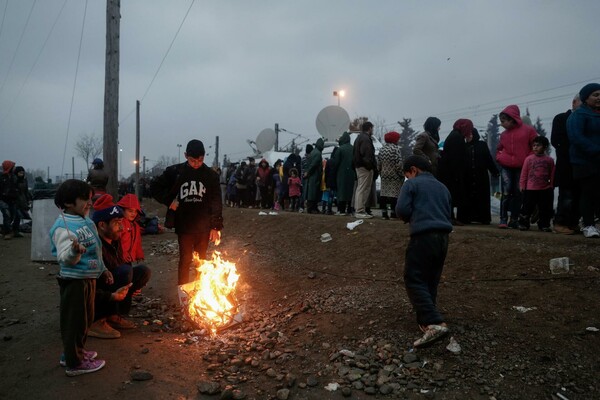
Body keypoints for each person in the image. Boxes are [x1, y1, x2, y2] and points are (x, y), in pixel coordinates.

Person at [50, 179, 109, 376]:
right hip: (74, 281)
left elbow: (96, 251)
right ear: (68, 203)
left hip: (88, 278)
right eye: (85, 199)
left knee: (85, 320)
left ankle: (74, 353)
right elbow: (64, 258)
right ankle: (74, 363)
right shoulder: (63, 227)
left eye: (90, 198)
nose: (89, 203)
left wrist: (103, 270)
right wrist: (75, 252)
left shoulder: (86, 220)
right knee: (73, 322)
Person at [395, 155, 453, 348]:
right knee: (431, 279)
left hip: (422, 236)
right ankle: (428, 321)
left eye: (407, 175)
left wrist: (410, 217)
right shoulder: (442, 187)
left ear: (413, 170)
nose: (407, 179)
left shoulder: (412, 185)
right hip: (443, 237)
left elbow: (402, 209)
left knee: (414, 278)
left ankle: (434, 323)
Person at [150, 139, 223, 284]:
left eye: (200, 160)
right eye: (192, 160)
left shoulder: (210, 176)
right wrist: (169, 201)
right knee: (185, 259)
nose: (196, 164)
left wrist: (216, 226)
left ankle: (199, 291)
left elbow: (216, 202)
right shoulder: (176, 172)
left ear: (204, 157)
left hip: (204, 226)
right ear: (185, 156)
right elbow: (155, 187)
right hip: (184, 225)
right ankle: (183, 292)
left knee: (201, 261)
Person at [89, 194, 151, 338]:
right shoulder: (93, 246)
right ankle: (96, 321)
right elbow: (89, 286)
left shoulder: (114, 241)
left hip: (110, 286)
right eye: (117, 222)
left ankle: (114, 315)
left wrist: (132, 285)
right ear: (102, 225)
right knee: (125, 272)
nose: (122, 227)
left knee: (142, 272)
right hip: (94, 295)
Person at [495, 105, 538, 229]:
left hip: (522, 166)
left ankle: (514, 219)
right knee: (506, 192)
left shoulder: (529, 131)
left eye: (503, 121)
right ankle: (503, 219)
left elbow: (534, 145)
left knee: (518, 193)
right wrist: (500, 158)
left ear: (512, 119)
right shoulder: (503, 135)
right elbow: (499, 149)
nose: (501, 124)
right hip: (506, 166)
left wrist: (528, 160)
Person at [567, 83, 600, 238]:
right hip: (584, 161)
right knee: (588, 193)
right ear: (586, 98)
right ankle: (588, 225)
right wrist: (595, 150)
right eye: (595, 95)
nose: (599, 98)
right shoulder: (578, 115)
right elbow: (576, 137)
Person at [551, 94, 582, 234]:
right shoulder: (561, 118)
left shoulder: (586, 120)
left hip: (581, 164)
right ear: (574, 102)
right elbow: (556, 141)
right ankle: (560, 222)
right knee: (566, 195)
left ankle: (573, 222)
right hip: (566, 164)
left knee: (579, 196)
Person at [461, 128, 499, 224]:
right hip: (468, 177)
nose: (468, 137)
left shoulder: (482, 145)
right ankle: (469, 217)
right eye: (467, 135)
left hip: (481, 176)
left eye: (470, 135)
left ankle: (483, 218)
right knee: (469, 197)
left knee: (482, 197)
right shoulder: (464, 146)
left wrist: (494, 171)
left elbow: (488, 159)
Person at [438, 119, 473, 225]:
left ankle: (452, 217)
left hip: (450, 171)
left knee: (452, 195)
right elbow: (457, 157)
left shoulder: (454, 136)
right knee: (455, 195)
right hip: (453, 173)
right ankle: (454, 218)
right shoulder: (457, 138)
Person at [517, 136, 555, 232]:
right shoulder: (528, 159)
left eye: (538, 145)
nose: (535, 147)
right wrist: (522, 185)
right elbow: (524, 173)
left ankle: (544, 225)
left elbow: (552, 174)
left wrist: (551, 185)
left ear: (545, 147)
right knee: (527, 207)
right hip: (530, 189)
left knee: (545, 208)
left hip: (545, 189)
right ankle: (523, 223)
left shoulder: (549, 160)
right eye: (534, 145)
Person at [377, 131, 404, 219]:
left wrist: (380, 172)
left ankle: (384, 214)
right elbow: (398, 164)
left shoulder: (382, 149)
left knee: (384, 193)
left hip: (384, 175)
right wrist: (401, 174)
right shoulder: (395, 149)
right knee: (394, 195)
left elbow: (379, 163)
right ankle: (393, 214)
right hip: (394, 175)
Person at [353, 121, 377, 219]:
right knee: (362, 188)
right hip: (364, 167)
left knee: (362, 188)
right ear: (370, 128)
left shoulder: (359, 137)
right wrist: (370, 166)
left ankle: (360, 210)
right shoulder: (366, 139)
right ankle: (359, 211)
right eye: (372, 128)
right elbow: (366, 155)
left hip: (360, 166)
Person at [117, 194, 145, 264]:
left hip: (128, 258)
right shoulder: (120, 223)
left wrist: (139, 255)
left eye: (135, 211)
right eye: (130, 211)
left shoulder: (136, 226)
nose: (133, 214)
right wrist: (122, 252)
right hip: (118, 258)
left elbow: (137, 242)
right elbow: (116, 241)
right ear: (122, 210)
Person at [331, 132, 355, 215]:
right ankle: (350, 210)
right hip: (352, 174)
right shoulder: (353, 148)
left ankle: (341, 210)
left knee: (341, 192)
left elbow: (336, 163)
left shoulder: (340, 149)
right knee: (351, 192)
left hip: (341, 174)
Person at [305, 138, 324, 214]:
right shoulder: (318, 154)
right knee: (314, 192)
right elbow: (314, 164)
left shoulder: (313, 152)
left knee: (311, 192)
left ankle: (313, 208)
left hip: (311, 176)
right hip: (315, 175)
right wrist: (309, 172)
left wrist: (307, 172)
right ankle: (312, 208)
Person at [0, 160, 19, 239]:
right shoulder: (2, 177)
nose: (14, 167)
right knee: (7, 215)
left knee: (15, 215)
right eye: (13, 166)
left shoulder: (14, 177)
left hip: (12, 199)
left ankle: (11, 231)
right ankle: (8, 232)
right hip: (3, 199)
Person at [13, 166, 32, 237]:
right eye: (20, 173)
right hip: (15, 200)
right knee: (16, 215)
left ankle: (15, 230)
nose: (22, 174)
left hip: (22, 200)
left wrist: (29, 199)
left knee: (18, 216)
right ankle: (12, 230)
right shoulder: (14, 180)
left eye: (22, 173)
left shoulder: (24, 180)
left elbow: (26, 191)